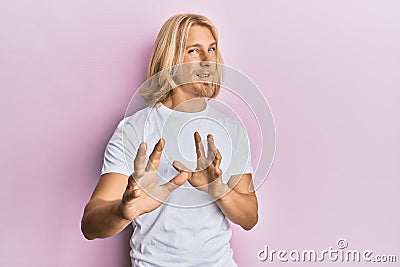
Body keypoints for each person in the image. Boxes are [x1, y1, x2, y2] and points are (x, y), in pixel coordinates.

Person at [81, 13, 258, 267]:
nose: (209, 61)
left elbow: (250, 217)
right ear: (171, 59)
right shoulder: (134, 129)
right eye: (194, 51)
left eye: (212, 49)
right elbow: (90, 224)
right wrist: (122, 211)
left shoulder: (231, 129)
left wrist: (218, 189)